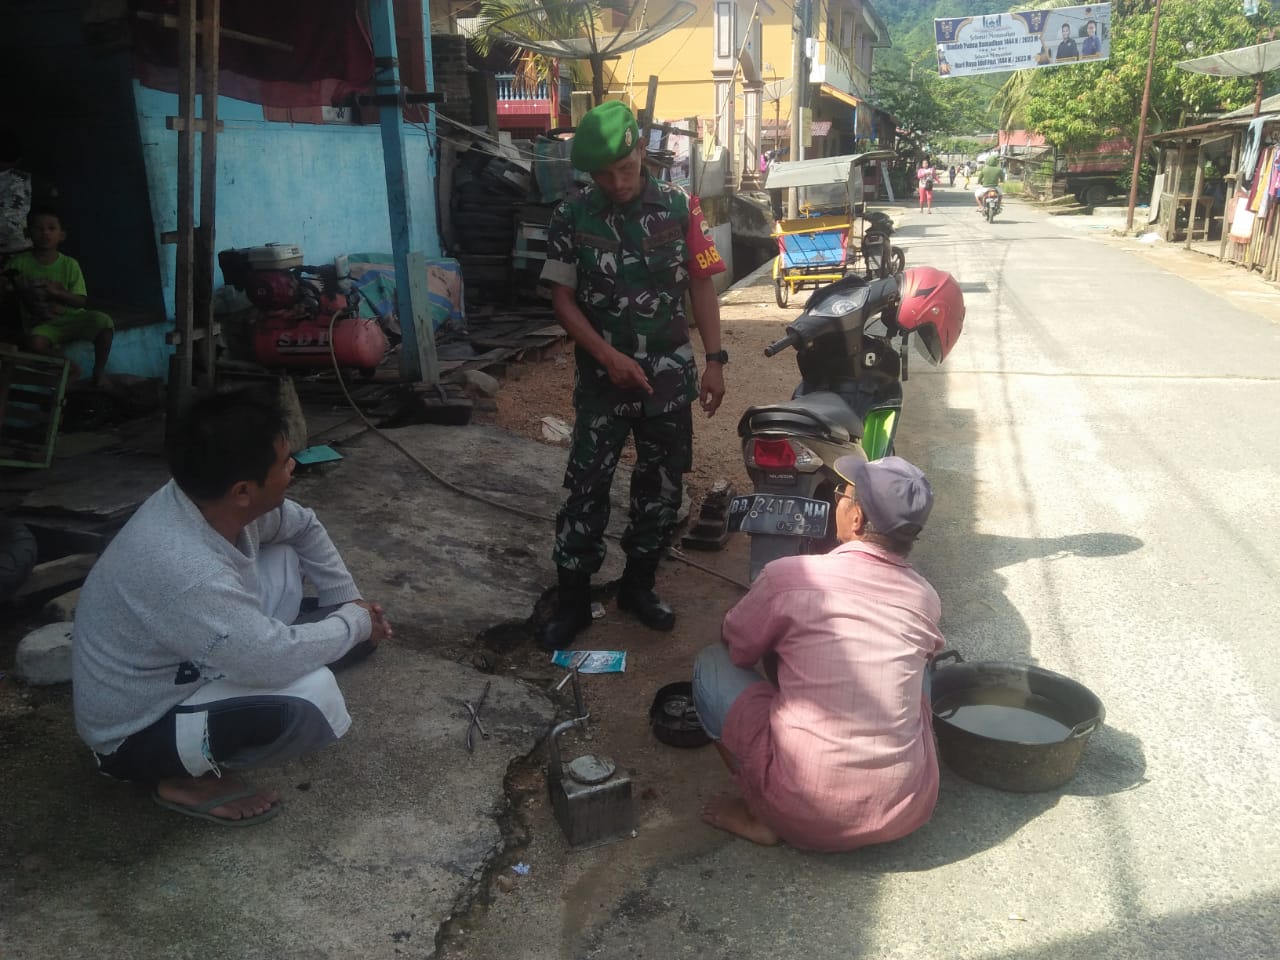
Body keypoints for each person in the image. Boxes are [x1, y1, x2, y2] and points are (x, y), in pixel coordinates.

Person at [72, 389, 392, 824]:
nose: (292, 467)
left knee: (282, 556)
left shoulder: (206, 500)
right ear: (243, 490)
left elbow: (305, 525)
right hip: (135, 733)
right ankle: (181, 778)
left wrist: (346, 602)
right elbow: (269, 659)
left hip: (187, 658)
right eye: (283, 463)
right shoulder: (185, 567)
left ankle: (267, 642)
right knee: (313, 696)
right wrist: (352, 626)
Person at [536, 100, 727, 650]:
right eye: (604, 175)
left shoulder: (679, 206)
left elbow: (700, 285)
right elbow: (563, 301)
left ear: (640, 152)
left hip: (669, 379)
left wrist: (715, 360)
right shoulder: (572, 216)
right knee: (586, 488)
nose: (616, 183)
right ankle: (573, 599)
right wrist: (606, 357)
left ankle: (639, 588)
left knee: (662, 488)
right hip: (602, 380)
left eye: (624, 169)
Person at [693, 455, 946, 850]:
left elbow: (737, 647)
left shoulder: (790, 576)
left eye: (844, 495)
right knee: (921, 669)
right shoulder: (925, 598)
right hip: (903, 808)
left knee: (712, 663)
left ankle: (762, 813)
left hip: (804, 812)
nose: (839, 501)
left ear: (857, 520)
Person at [8, 206, 114, 386]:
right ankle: (67, 365)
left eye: (51, 228)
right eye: (38, 228)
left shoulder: (70, 264)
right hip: (43, 326)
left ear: (62, 235)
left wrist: (58, 293)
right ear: (28, 233)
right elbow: (7, 287)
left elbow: (82, 301)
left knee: (104, 322)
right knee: (35, 343)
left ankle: (99, 371)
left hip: (73, 320)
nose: (44, 233)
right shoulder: (19, 263)